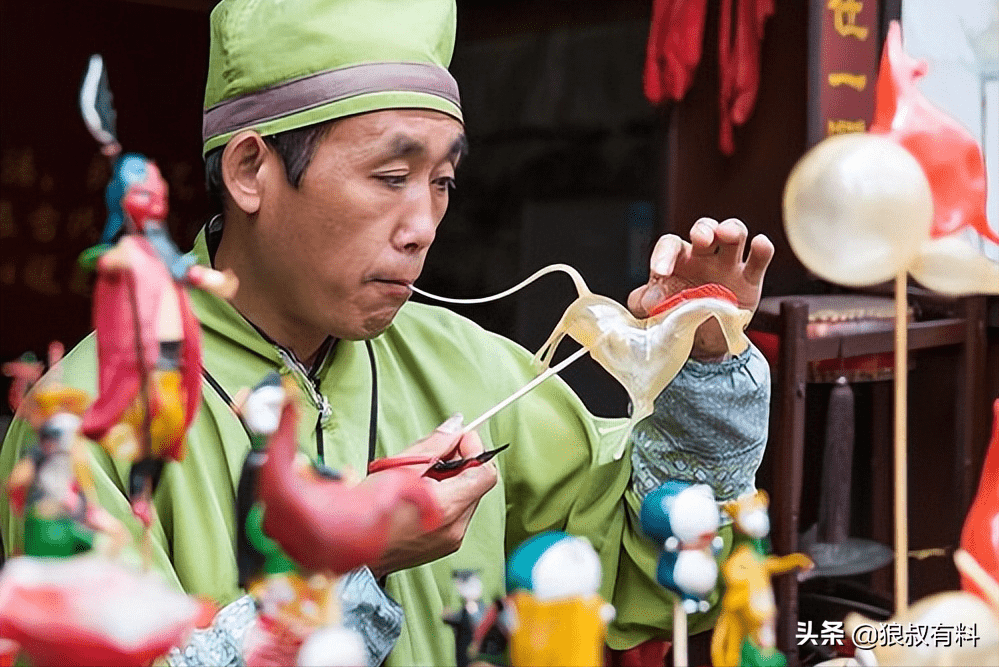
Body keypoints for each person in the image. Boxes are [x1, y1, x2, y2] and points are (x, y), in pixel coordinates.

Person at [0, 0, 776, 664]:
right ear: (248, 172)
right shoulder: (85, 423)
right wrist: (350, 565)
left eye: (441, 182)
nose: (422, 227)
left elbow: (646, 573)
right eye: (391, 177)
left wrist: (700, 363)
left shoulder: (472, 367)